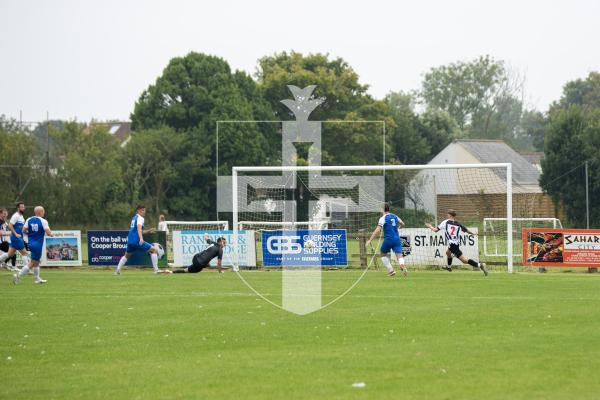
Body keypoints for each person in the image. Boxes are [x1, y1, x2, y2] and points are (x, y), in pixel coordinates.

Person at [425, 209, 488, 276]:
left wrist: (430, 226)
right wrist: (473, 233)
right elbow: (466, 230)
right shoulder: (458, 224)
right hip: (456, 244)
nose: (447, 215)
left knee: (464, 260)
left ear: (449, 215)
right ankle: (449, 267)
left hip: (452, 245)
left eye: (448, 214)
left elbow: (435, 230)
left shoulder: (445, 222)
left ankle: (480, 265)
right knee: (448, 252)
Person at [115, 205, 166, 274]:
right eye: (142, 210)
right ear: (138, 210)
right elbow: (139, 228)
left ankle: (118, 270)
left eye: (144, 210)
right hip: (137, 240)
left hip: (130, 240)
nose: (144, 212)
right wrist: (141, 238)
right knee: (154, 250)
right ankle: (156, 270)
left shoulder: (134, 218)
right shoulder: (140, 218)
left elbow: (138, 230)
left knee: (126, 255)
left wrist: (148, 231)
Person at [366, 203, 407, 277]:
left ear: (382, 209)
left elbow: (378, 230)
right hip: (397, 239)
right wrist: (399, 228)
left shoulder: (383, 218)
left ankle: (391, 270)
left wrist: (370, 240)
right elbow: (403, 224)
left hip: (388, 239)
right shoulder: (395, 216)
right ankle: (402, 265)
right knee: (399, 255)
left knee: (382, 254)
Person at [14, 206, 52, 284]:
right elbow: (48, 233)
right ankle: (18, 275)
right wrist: (52, 234)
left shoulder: (29, 219)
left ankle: (37, 278)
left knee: (36, 262)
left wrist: (31, 233)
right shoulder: (43, 221)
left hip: (31, 243)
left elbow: (23, 230)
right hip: (38, 244)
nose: (44, 212)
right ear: (40, 212)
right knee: (32, 263)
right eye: (43, 211)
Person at [0, 202, 30, 272]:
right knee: (24, 253)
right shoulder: (15, 216)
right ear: (18, 208)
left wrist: (27, 232)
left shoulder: (21, 217)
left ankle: (9, 265)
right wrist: (15, 234)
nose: (23, 208)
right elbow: (10, 226)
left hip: (18, 238)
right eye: (22, 207)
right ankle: (28, 269)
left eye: (24, 207)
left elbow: (22, 228)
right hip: (15, 238)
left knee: (10, 254)